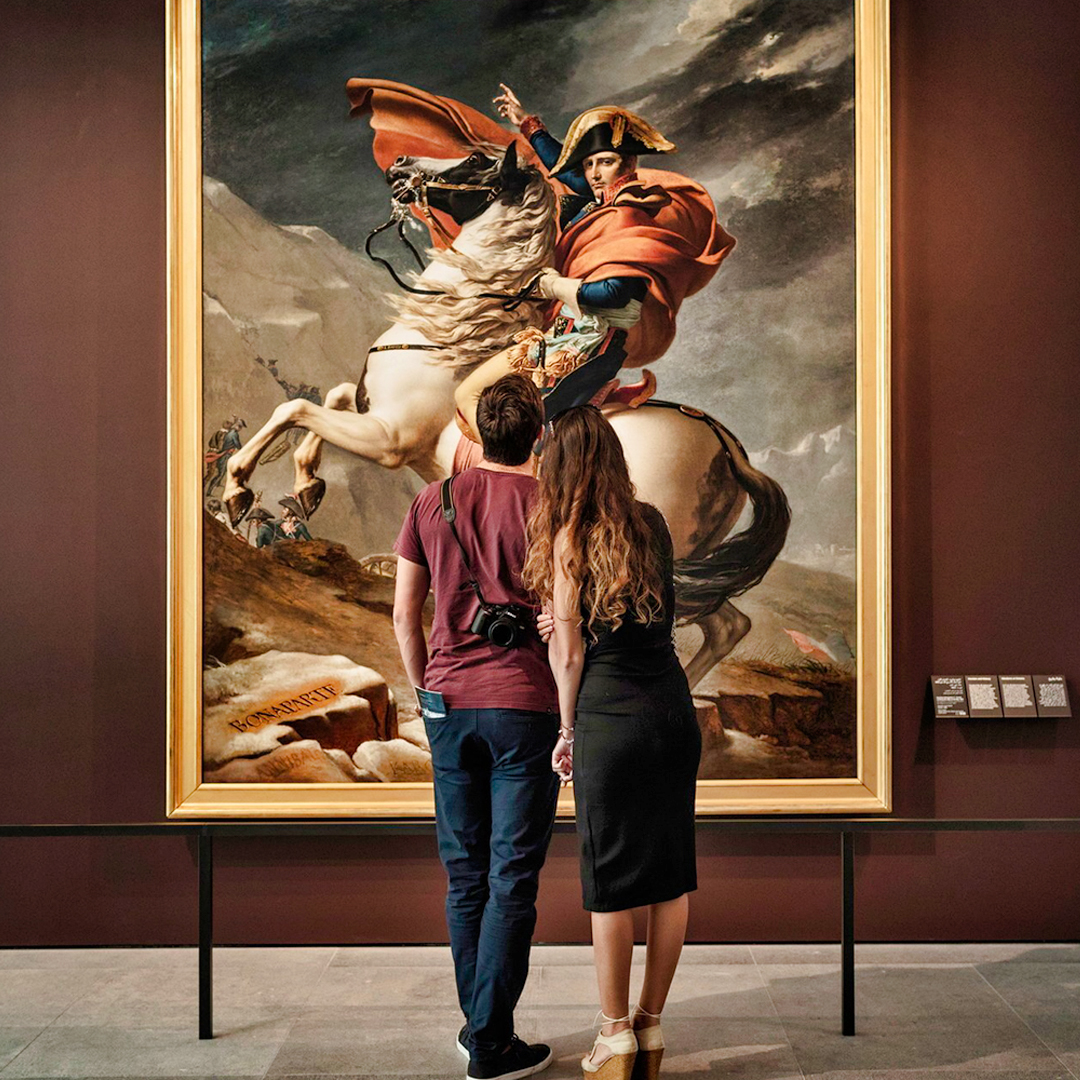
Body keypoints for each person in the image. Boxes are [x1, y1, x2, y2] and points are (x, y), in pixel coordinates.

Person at [522, 405, 701, 1080]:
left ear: (561, 466)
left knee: (611, 881)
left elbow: (569, 657)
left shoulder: (569, 535)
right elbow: (640, 615)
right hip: (672, 713)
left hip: (611, 717)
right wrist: (568, 625)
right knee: (670, 876)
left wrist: (565, 731)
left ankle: (613, 1036)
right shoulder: (650, 522)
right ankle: (652, 1030)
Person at [392, 374, 559, 1080]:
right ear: (537, 433)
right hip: (526, 704)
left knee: (465, 876)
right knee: (512, 877)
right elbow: (563, 618)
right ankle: (489, 1039)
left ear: (477, 433)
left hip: (449, 705)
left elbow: (404, 613)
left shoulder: (432, 501)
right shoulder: (552, 506)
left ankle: (481, 1028)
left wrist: (424, 686)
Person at [454, 84, 734, 439]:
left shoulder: (629, 213)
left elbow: (617, 295)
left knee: (484, 405)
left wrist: (552, 284)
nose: (594, 174)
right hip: (565, 336)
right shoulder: (608, 203)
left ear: (629, 164)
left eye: (605, 162)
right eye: (589, 164)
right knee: (473, 394)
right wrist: (528, 124)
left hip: (588, 347)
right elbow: (563, 169)